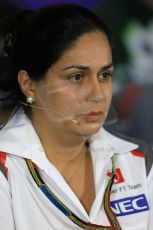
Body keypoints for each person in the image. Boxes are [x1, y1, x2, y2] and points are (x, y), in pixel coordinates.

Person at [0, 4, 152, 230]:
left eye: (105, 75)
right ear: (29, 85)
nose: (98, 93)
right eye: (77, 77)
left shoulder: (140, 160)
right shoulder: (5, 170)